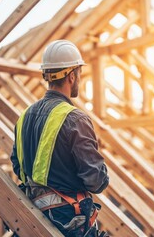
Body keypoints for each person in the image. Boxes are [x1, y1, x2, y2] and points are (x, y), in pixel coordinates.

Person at [10, 39, 109, 237]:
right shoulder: (75, 118)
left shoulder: (25, 116)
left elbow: (17, 166)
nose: (80, 78)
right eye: (79, 73)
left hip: (32, 219)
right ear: (71, 76)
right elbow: (96, 181)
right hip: (69, 223)